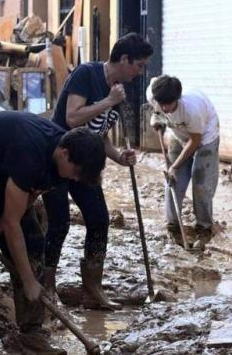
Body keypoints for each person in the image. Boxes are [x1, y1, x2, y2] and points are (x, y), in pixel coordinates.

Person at [0, 111, 106, 354]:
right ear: (64, 153)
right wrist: (28, 281)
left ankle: (31, 331)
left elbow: (29, 196)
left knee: (33, 240)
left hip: (4, 174)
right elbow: (13, 223)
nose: (77, 179)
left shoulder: (62, 166)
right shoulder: (31, 153)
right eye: (77, 172)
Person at [42, 32, 153, 310]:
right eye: (139, 65)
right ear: (124, 59)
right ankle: (47, 287)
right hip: (61, 157)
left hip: (87, 161)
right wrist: (108, 101)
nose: (140, 72)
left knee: (99, 218)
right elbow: (73, 117)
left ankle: (92, 288)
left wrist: (118, 156)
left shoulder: (120, 90)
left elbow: (98, 133)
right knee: (59, 222)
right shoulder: (87, 74)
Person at [147, 75, 219, 246]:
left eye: (169, 104)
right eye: (161, 104)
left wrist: (175, 165)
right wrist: (156, 118)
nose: (165, 108)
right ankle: (173, 225)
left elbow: (195, 141)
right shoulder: (154, 94)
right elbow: (156, 107)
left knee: (201, 183)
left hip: (204, 137)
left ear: (178, 98)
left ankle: (203, 228)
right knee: (172, 181)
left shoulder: (192, 109)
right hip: (179, 135)